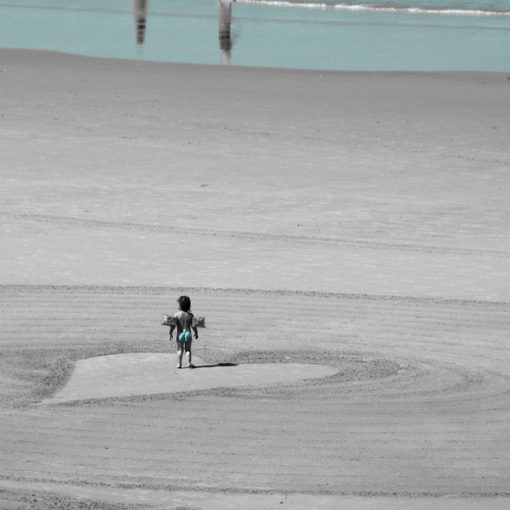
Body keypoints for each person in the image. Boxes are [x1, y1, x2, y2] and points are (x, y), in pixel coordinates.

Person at [169, 295, 199, 369]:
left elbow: (173, 326)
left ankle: (179, 364)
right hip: (188, 333)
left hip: (180, 334)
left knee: (180, 349)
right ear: (189, 306)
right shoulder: (190, 315)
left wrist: (170, 333)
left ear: (179, 305)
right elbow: (193, 326)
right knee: (188, 350)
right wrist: (196, 332)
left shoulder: (177, 315)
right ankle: (189, 363)